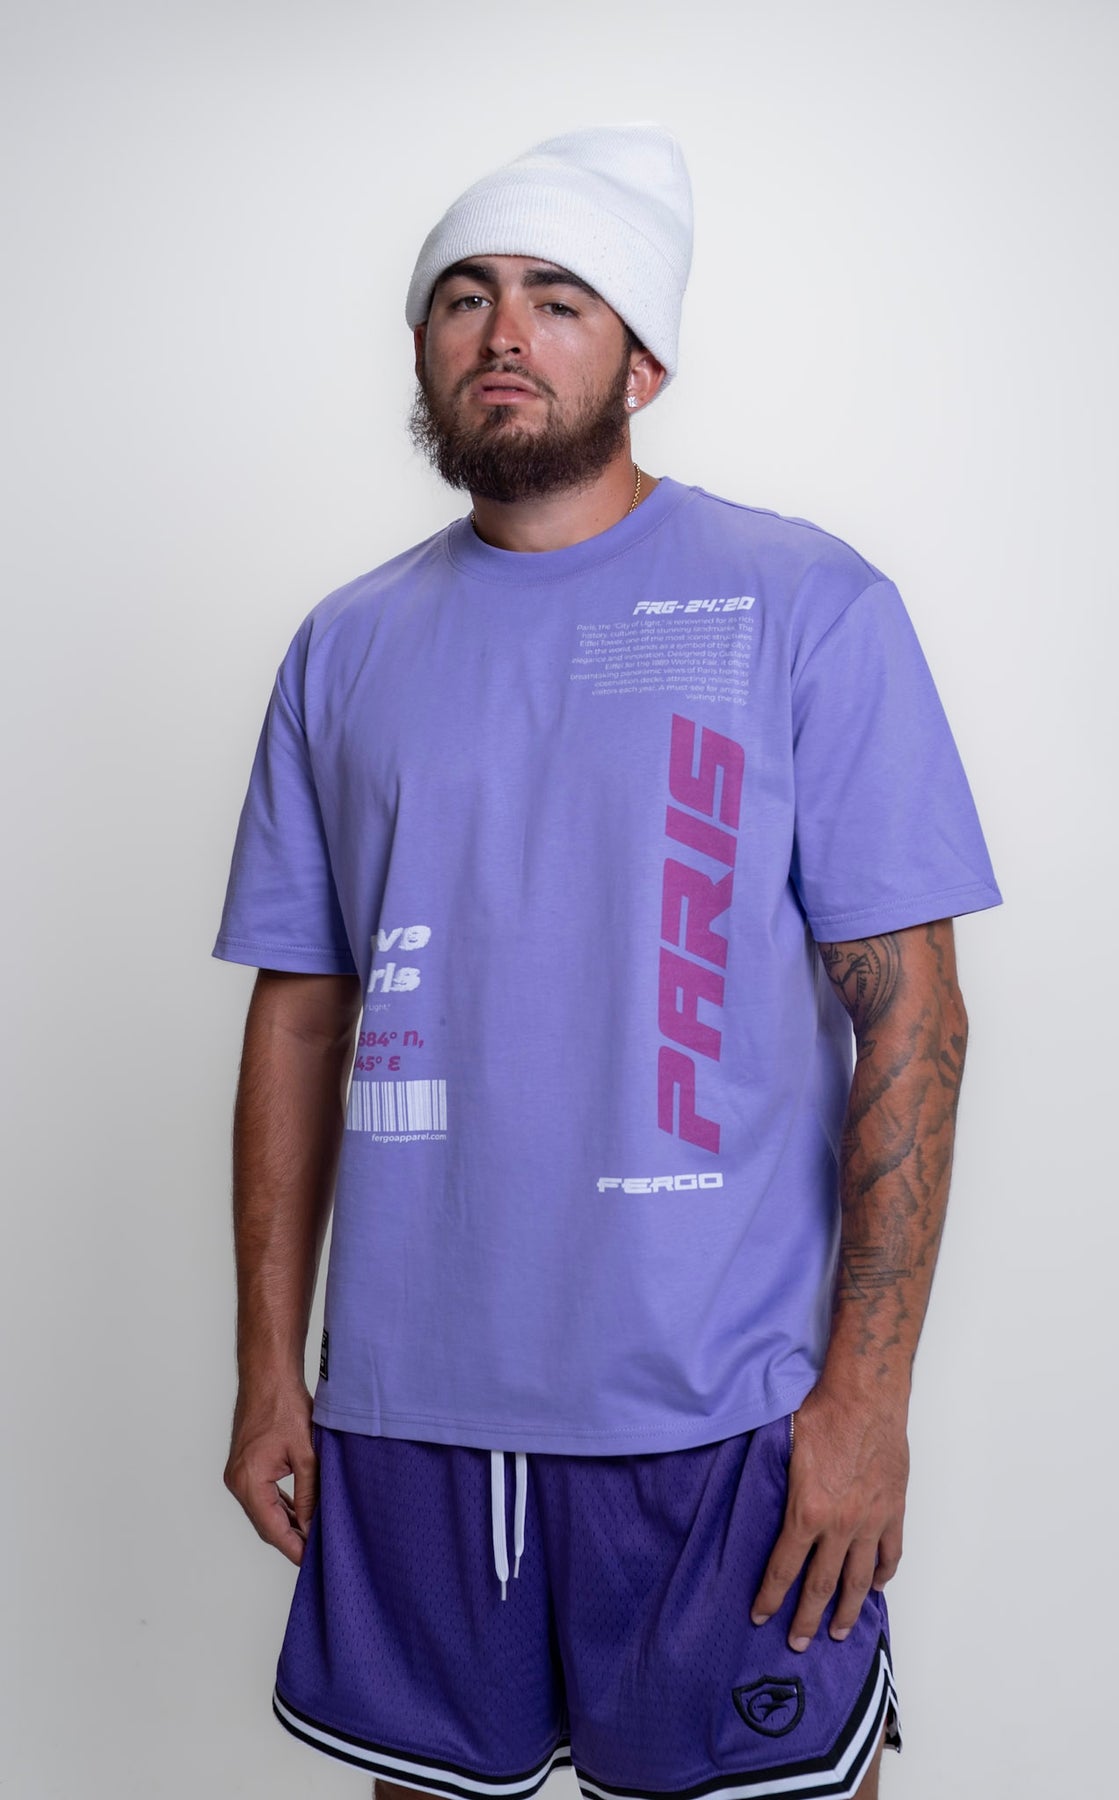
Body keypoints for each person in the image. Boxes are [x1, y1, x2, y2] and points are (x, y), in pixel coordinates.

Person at [213, 123, 1002, 1800]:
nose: (504, 331)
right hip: (411, 1419)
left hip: (718, 1418)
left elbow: (913, 1017)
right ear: (421, 349)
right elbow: (299, 1018)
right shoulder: (344, 647)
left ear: (643, 361)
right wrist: (268, 1368)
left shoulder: (803, 604)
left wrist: (866, 1403)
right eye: (466, 296)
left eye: (559, 299)